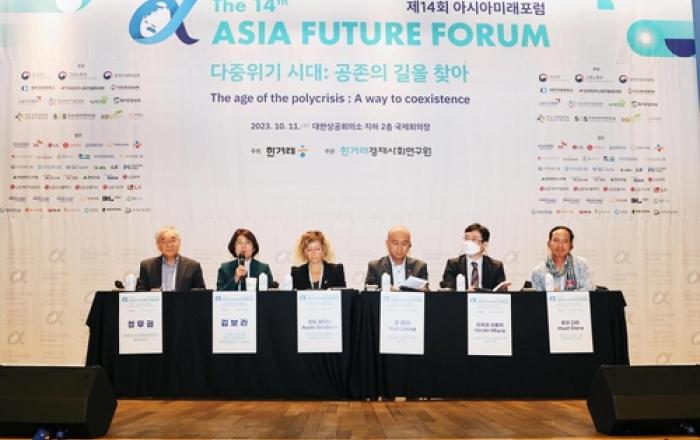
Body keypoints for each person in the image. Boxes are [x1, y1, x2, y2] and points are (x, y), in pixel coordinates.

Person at [441, 223, 509, 291]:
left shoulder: (496, 267)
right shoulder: (453, 265)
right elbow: (449, 291)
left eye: (473, 239)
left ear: (484, 244)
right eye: (466, 239)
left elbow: (501, 293)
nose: (468, 243)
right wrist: (465, 294)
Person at [136, 226, 206, 291]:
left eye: (173, 240)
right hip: (158, 301)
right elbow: (140, 291)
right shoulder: (147, 266)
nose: (169, 245)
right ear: (158, 245)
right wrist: (152, 295)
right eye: (164, 241)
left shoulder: (193, 266)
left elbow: (201, 293)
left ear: (179, 242)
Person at [531, 225, 594, 291]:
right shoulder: (538, 271)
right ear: (549, 243)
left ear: (571, 245)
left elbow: (589, 289)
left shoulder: (582, 265)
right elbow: (537, 296)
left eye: (565, 241)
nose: (560, 245)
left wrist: (562, 296)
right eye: (556, 240)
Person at [365, 225, 428, 290]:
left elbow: (427, 293)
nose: (399, 248)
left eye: (404, 243)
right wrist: (385, 291)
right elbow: (368, 293)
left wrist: (423, 291)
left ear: (409, 245)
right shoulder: (375, 266)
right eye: (395, 243)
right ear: (387, 244)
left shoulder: (419, 267)